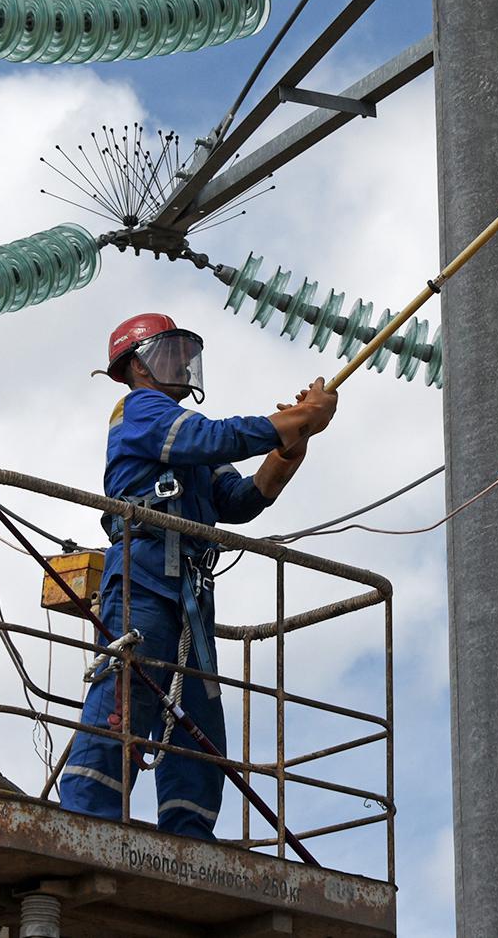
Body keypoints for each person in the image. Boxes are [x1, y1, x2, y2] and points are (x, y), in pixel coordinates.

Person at [58, 312, 337, 837]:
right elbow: (215, 438)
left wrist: (292, 442)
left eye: (187, 355)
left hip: (189, 595)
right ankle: (84, 824)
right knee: (127, 696)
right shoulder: (140, 410)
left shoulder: (187, 445)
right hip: (143, 581)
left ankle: (191, 836)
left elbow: (240, 500)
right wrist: (291, 421)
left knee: (198, 725)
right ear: (137, 365)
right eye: (172, 354)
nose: (184, 365)